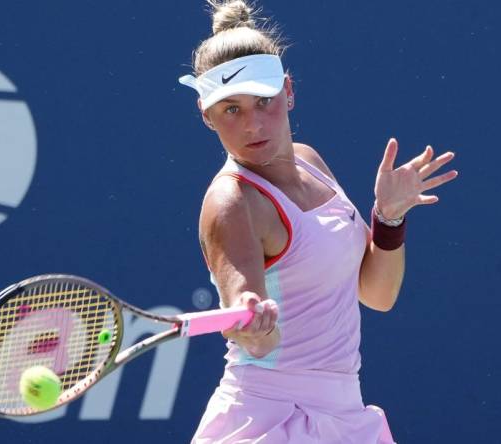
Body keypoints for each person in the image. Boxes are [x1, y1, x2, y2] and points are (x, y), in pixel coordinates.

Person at [178, 1, 458, 443]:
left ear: (289, 91)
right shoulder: (232, 202)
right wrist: (253, 325)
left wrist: (389, 217)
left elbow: (377, 294)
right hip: (267, 420)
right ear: (206, 115)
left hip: (343, 413)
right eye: (231, 109)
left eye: (264, 101)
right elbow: (250, 321)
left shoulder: (310, 162)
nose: (252, 124)